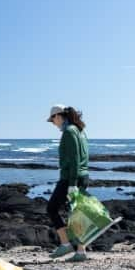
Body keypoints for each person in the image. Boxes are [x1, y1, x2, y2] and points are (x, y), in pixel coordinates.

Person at [46, 104, 90, 261]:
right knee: (76, 214)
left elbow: (75, 159)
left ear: (58, 116)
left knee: (52, 208)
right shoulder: (79, 130)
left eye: (53, 121)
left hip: (71, 178)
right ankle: (80, 251)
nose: (53, 124)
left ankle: (66, 244)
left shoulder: (69, 132)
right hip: (82, 176)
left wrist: (72, 184)